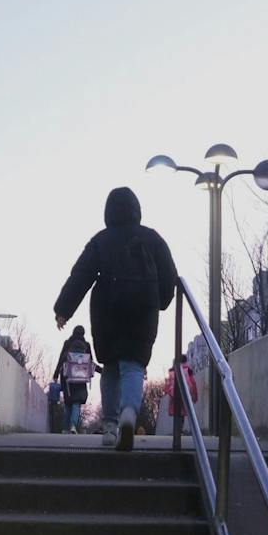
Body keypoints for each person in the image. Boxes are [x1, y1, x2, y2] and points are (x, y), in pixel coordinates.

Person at [54, 186, 178, 452]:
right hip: (143, 307)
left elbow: (81, 274)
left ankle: (109, 426)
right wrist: (163, 300)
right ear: (137, 210)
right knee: (133, 365)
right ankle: (129, 415)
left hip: (107, 307)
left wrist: (63, 308)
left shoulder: (101, 240)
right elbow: (169, 273)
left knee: (110, 367)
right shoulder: (152, 238)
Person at [57, 325, 99, 434]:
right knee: (76, 403)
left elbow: (61, 359)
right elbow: (90, 362)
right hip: (81, 378)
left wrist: (56, 374)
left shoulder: (67, 343)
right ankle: (73, 426)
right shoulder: (86, 345)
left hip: (67, 378)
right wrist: (102, 371)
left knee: (67, 403)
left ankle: (65, 428)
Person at [164, 353, 199, 439]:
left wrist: (167, 391)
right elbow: (193, 383)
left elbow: (168, 384)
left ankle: (176, 428)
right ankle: (180, 429)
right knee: (182, 413)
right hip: (185, 394)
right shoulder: (188, 370)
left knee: (176, 412)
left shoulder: (172, 370)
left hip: (174, 395)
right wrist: (195, 395)